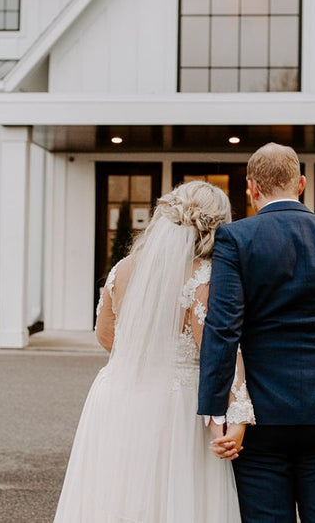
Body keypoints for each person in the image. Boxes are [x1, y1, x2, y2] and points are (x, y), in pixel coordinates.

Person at [199, 143, 315, 522]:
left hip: (262, 416)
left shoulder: (236, 239)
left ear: (251, 187)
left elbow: (223, 328)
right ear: (301, 184)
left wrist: (215, 409)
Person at [54, 181, 255, 523]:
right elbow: (217, 352)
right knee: (171, 497)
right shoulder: (204, 276)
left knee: (116, 491)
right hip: (175, 404)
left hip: (117, 393)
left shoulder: (124, 268)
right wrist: (237, 415)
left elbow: (106, 337)